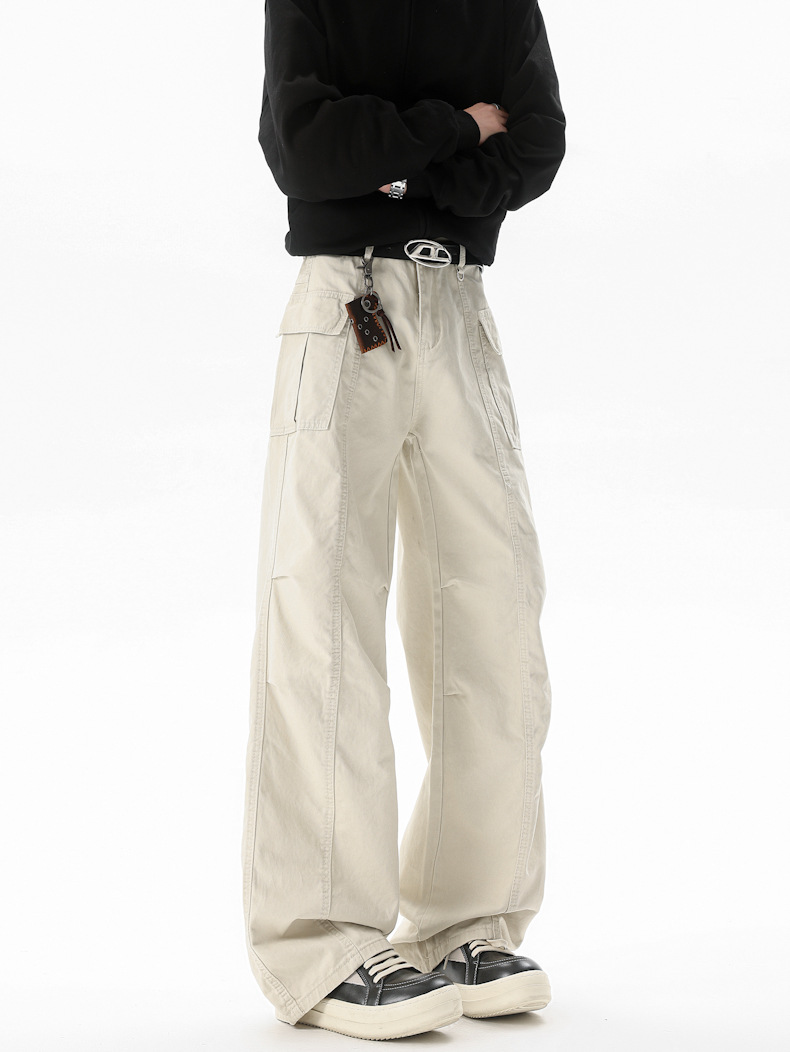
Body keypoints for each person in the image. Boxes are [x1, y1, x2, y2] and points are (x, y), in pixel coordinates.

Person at [241, 0, 566, 1040]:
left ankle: (467, 920)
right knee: (324, 613)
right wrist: (455, 129)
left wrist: (393, 165)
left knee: (495, 612)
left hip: (459, 305)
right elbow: (302, 150)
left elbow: (538, 144)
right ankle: (323, 944)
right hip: (348, 300)